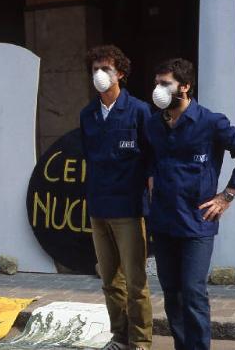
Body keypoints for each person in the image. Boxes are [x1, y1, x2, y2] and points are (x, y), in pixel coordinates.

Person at [146, 58, 235, 350]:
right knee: (172, 293)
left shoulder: (210, 122)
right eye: (156, 83)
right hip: (163, 221)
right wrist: (149, 178)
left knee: (193, 291)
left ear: (184, 86)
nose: (158, 89)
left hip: (197, 223)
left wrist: (227, 195)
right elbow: (147, 157)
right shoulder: (153, 124)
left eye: (165, 83)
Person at [79, 45, 153, 350]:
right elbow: (88, 156)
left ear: (120, 72)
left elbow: (151, 158)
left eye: (106, 68)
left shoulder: (139, 111)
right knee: (110, 280)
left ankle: (141, 341)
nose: (100, 74)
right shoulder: (88, 114)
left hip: (129, 208)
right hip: (98, 207)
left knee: (136, 283)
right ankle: (120, 336)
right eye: (95, 69)